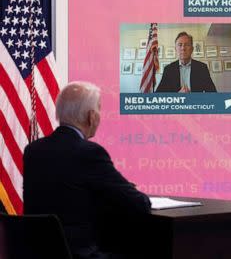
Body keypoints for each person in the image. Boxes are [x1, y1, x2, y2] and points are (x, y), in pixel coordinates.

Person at [23, 81, 151, 258]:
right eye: (99, 109)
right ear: (92, 116)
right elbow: (139, 204)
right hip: (81, 253)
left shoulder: (33, 150)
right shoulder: (90, 153)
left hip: (38, 252)